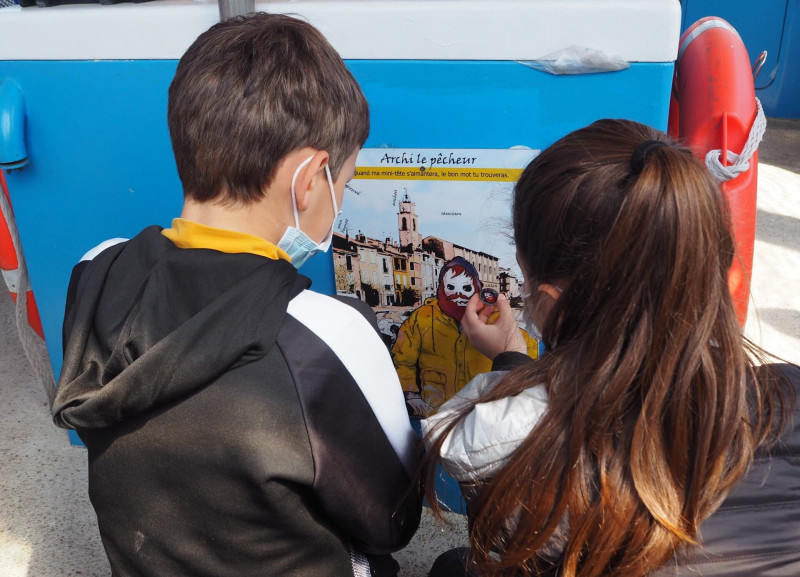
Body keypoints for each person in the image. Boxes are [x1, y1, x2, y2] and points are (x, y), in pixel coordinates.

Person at [51, 14, 420, 577]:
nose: (338, 201)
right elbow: (391, 522)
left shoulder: (95, 269)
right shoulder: (329, 334)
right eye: (343, 183)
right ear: (309, 180)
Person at [420, 119, 799, 577]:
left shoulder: (502, 446)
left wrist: (510, 370)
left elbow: (507, 537)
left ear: (553, 302)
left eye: (524, 276)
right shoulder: (787, 398)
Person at [393, 256, 538, 417]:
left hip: (481, 419)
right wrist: (411, 395)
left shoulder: (496, 318)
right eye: (451, 287)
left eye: (465, 289)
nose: (458, 294)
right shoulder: (422, 318)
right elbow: (402, 360)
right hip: (437, 416)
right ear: (441, 287)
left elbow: (527, 351)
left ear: (477, 288)